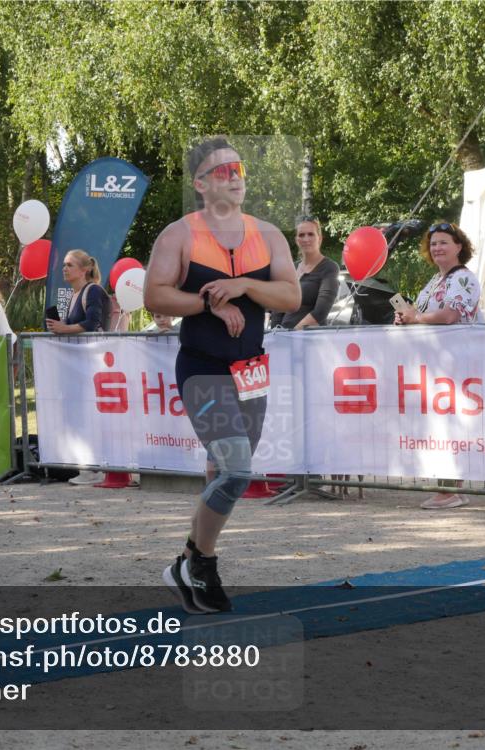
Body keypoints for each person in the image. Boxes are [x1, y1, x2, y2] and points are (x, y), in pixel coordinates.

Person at [145, 136, 300, 613]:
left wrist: (246, 286)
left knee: (222, 472)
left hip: (251, 369)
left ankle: (188, 560)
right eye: (221, 171)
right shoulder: (179, 234)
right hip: (203, 368)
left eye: (238, 170)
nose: (233, 177)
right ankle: (203, 562)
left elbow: (292, 297)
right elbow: (155, 296)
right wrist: (212, 303)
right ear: (200, 182)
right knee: (236, 470)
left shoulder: (268, 234)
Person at [394, 221, 481, 509]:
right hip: (435, 365)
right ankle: (447, 485)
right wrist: (406, 317)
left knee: (451, 425)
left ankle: (450, 488)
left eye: (444, 242)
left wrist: (416, 318)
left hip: (456, 363)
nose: (437, 247)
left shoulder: (464, 278)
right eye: (433, 244)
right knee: (440, 425)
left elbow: (449, 315)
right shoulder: (435, 281)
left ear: (459, 246)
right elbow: (422, 313)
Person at [271, 214, 340, 329]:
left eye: (311, 234)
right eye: (301, 235)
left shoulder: (330, 268)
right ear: (296, 240)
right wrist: (276, 334)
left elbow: (320, 313)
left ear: (320, 238)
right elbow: (278, 309)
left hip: (309, 339)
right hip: (283, 339)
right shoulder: (290, 268)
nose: (306, 239)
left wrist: (292, 334)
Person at [45, 250, 112, 334]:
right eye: (64, 265)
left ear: (84, 270)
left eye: (69, 265)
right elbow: (72, 325)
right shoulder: (74, 295)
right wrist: (60, 325)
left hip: (97, 346)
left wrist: (64, 328)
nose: (64, 269)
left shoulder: (94, 290)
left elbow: (92, 323)